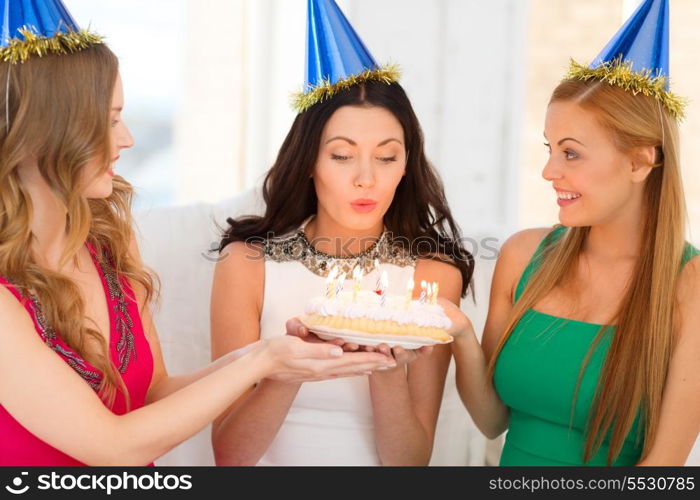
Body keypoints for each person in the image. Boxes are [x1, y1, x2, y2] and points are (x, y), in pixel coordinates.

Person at [0, 0, 393, 466]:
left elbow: (155, 394)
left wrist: (277, 358)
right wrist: (261, 362)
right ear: (48, 133)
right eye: (108, 120)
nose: (126, 138)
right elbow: (113, 447)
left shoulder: (106, 243)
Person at [211, 0, 473, 466]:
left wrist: (385, 368)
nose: (366, 179)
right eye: (342, 155)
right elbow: (230, 456)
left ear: (406, 167)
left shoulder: (432, 277)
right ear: (308, 162)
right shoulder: (247, 265)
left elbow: (410, 463)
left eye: (387, 157)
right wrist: (289, 367)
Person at [444, 0, 700, 465]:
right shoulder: (523, 256)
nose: (548, 171)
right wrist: (461, 334)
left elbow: (661, 468)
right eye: (549, 149)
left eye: (571, 154)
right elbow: (491, 420)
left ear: (641, 161)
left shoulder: (690, 284)